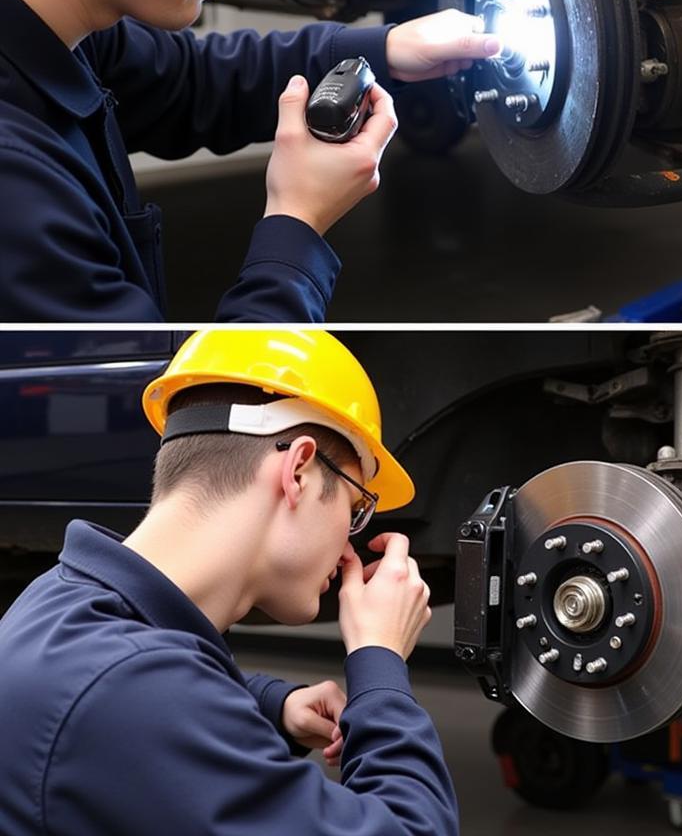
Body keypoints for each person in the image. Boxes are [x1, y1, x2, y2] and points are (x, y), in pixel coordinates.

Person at [0, 0, 498, 322]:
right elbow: (198, 404)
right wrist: (296, 223)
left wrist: (386, 48)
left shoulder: (60, 30)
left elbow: (191, 82)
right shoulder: (14, 190)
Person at [0, 328, 458, 835]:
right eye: (353, 508)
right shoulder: (131, 693)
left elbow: (152, 694)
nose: (350, 547)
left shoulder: (60, 603)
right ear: (299, 471)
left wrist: (273, 707)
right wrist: (380, 662)